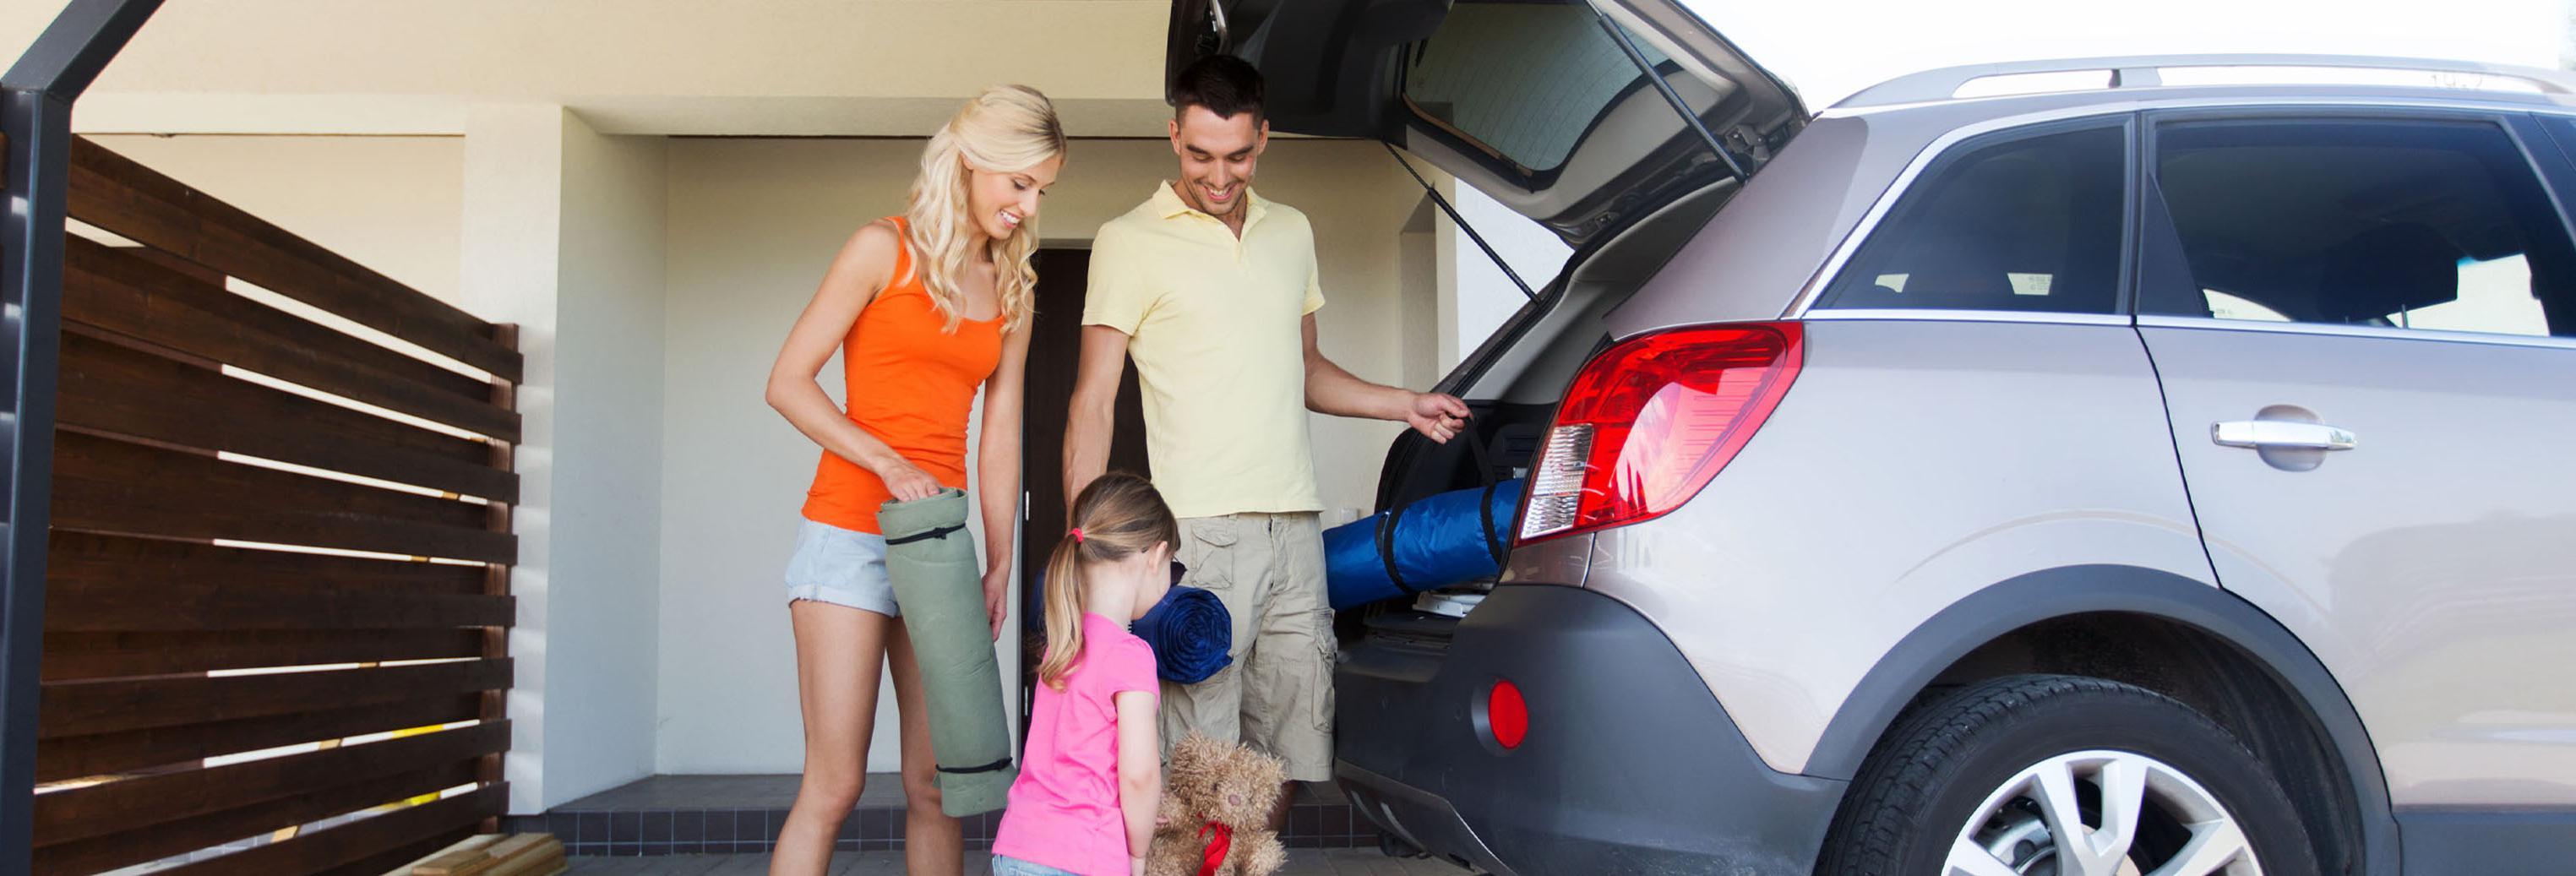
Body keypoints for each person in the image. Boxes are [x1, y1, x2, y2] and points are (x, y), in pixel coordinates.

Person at [1061, 55, 1471, 824]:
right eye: (1200, 155)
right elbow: (1092, 400)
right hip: (1195, 535)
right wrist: (1085, 546)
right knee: (1196, 771)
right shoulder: (1129, 240)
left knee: (1279, 764)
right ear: (1173, 134)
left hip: (1294, 531)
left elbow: (1306, 370)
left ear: (1265, 139)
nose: (1219, 176)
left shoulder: (1291, 232)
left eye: (1238, 156)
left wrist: (1402, 402)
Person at [763, 84, 1063, 876]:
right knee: (835, 784)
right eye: (1018, 183)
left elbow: (999, 435)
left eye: (1041, 190)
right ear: (971, 162)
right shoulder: (878, 248)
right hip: (848, 535)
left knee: (939, 785)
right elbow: (788, 381)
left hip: (939, 549)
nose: (1028, 206)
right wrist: (888, 460)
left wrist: (999, 559)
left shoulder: (1012, 289)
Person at [991, 472, 1179, 876]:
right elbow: (1140, 775)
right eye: (1173, 568)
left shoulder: (1060, 645)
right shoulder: (1131, 655)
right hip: (1084, 856)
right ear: (1155, 556)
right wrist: (1139, 851)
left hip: (1016, 848)